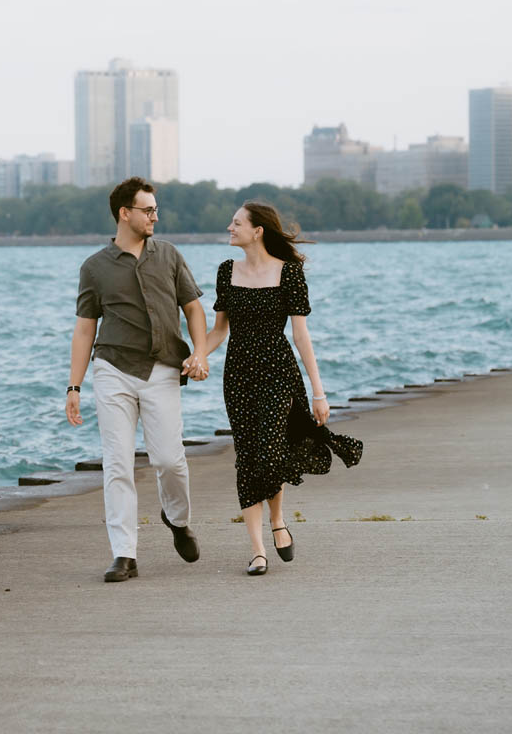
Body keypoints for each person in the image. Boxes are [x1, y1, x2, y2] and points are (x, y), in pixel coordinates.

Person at [187, 201, 363, 576]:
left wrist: (319, 391)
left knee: (269, 453)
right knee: (248, 456)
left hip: (279, 374)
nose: (229, 228)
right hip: (238, 377)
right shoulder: (226, 271)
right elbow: (220, 330)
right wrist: (196, 355)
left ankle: (278, 519)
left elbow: (300, 335)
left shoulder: (290, 273)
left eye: (236, 223)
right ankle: (257, 549)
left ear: (257, 231)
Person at [66, 177, 209, 583]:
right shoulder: (94, 267)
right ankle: (124, 554)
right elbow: (83, 330)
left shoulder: (169, 256)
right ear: (124, 213)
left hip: (163, 369)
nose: (154, 216)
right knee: (117, 464)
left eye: (156, 210)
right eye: (148, 210)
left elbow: (194, 310)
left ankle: (177, 520)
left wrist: (198, 353)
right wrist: (73, 387)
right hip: (112, 371)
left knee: (169, 460)